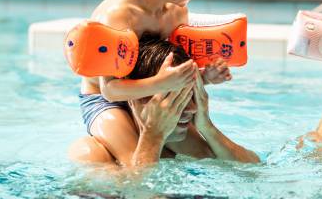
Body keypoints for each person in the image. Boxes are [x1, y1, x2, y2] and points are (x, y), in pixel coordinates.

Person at [79, 0, 231, 167]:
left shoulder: (176, 13)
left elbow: (164, 65)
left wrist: (205, 76)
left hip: (153, 95)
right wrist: (163, 83)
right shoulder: (119, 15)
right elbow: (110, 89)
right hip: (107, 101)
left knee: (207, 157)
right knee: (134, 164)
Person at [69, 35, 260, 166]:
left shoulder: (176, 142)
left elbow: (253, 170)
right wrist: (153, 137)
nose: (192, 109)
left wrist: (207, 128)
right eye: (177, 99)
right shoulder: (91, 154)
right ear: (137, 100)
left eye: (190, 96)